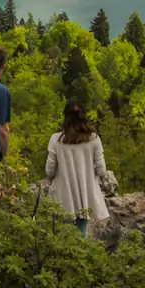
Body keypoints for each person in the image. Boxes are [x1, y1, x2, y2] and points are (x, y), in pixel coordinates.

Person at [44, 101, 109, 237]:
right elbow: (101, 169)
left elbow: (50, 170)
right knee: (82, 232)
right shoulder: (94, 139)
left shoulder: (56, 139)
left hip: (62, 195)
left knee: (61, 234)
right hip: (85, 194)